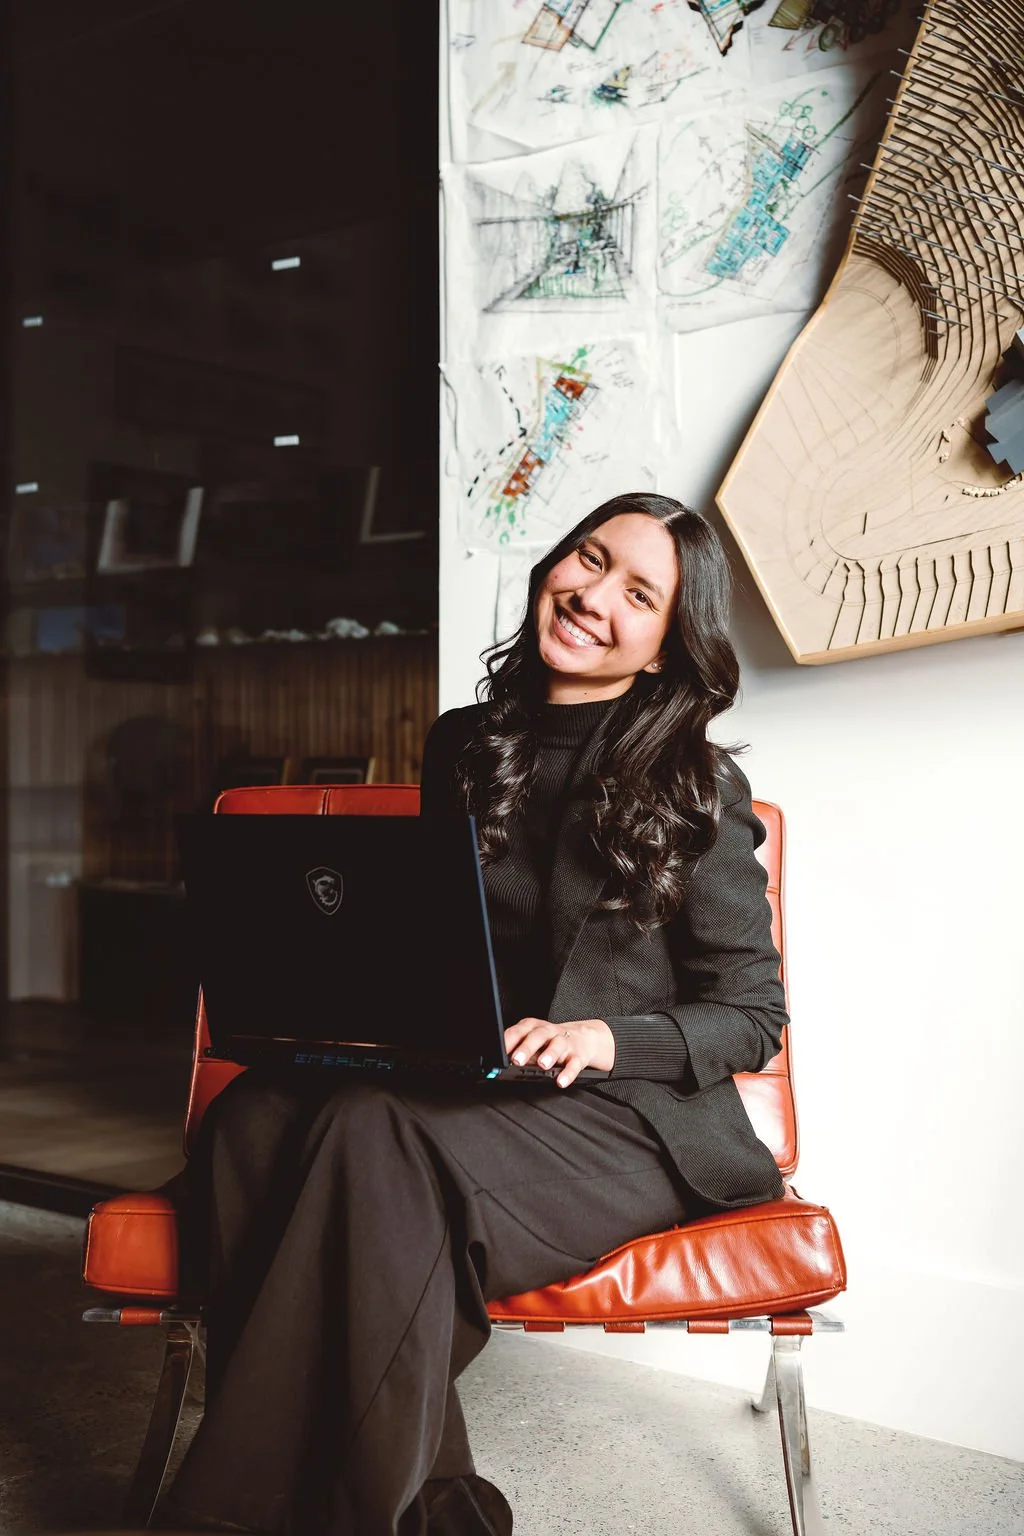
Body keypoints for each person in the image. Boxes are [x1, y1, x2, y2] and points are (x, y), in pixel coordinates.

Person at [162, 491, 788, 1536]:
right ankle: (436, 1506)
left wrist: (604, 1037)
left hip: (626, 1119)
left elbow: (753, 1013)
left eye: (637, 594)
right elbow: (436, 936)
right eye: (588, 559)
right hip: (464, 1088)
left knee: (371, 1139)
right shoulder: (465, 743)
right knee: (252, 1122)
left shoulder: (694, 785)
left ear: (666, 647)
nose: (591, 596)